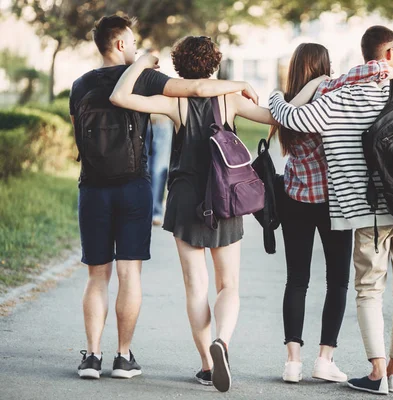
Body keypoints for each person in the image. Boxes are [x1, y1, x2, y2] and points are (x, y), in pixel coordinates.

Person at [269, 25, 393, 395]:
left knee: (369, 291)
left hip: (367, 212)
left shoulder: (340, 97)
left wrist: (277, 97)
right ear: (392, 53)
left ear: (364, 55)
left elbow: (291, 119)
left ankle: (377, 372)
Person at [69, 15, 258, 380]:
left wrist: (141, 62)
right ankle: (132, 356)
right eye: (133, 43)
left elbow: (95, 119)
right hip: (168, 190)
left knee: (106, 278)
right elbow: (216, 95)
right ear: (121, 43)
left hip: (104, 188)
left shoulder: (82, 84)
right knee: (142, 274)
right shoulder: (164, 83)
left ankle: (94, 357)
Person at [110, 36, 276, 392]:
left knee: (196, 288)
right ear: (214, 64)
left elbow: (121, 97)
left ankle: (205, 365)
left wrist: (140, 63)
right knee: (228, 284)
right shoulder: (229, 99)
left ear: (179, 67)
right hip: (226, 196)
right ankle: (223, 343)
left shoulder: (175, 101)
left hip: (186, 198)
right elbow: (279, 117)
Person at [269, 43, 392, 384]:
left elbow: (279, 110)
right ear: (324, 66)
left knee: (296, 279)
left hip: (294, 196)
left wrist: (305, 86)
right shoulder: (331, 90)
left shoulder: (283, 100)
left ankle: (292, 362)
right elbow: (373, 68)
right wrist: (330, 78)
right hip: (334, 201)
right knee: (337, 280)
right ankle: (325, 359)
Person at [143, 48, 173, 226]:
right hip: (144, 128)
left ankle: (156, 211)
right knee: (144, 169)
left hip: (162, 128)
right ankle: (145, 210)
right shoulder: (137, 80)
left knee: (159, 170)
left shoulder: (163, 81)